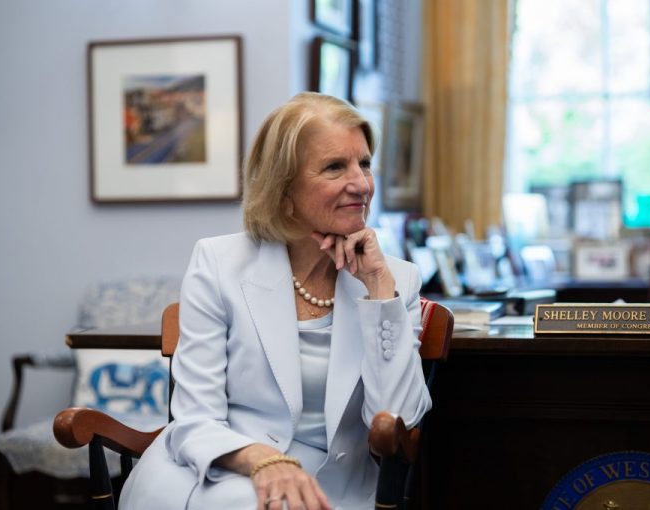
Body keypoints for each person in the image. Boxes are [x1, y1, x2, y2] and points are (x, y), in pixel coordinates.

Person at [119, 92, 431, 510]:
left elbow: (400, 419)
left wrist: (378, 291)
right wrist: (264, 461)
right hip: (219, 471)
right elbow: (195, 419)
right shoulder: (218, 263)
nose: (361, 183)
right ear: (284, 189)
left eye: (365, 163)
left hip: (333, 489)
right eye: (335, 166)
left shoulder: (396, 280)